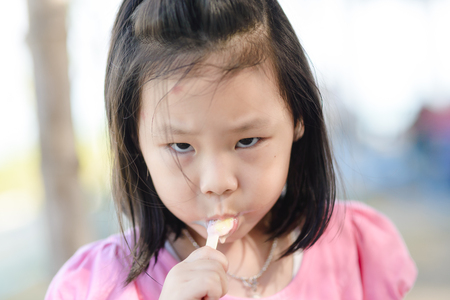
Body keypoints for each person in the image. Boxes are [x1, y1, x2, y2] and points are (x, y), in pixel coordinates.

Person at [46, 0, 417, 299]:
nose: (217, 182)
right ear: (134, 143)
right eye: (180, 145)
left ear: (298, 118)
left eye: (247, 141)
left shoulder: (357, 250)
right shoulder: (96, 287)